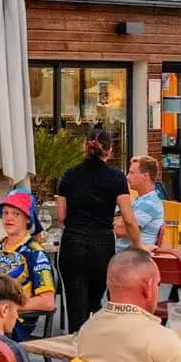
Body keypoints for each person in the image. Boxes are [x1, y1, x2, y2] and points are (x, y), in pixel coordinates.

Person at [54, 129, 138, 334]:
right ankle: (94, 338)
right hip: (101, 243)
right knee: (94, 299)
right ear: (109, 151)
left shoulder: (69, 174)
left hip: (72, 241)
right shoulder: (116, 177)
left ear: (85, 147)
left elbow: (62, 216)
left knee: (75, 302)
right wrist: (139, 246)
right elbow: (128, 218)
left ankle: (77, 342)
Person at [0, 190, 57, 339]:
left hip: (16, 321)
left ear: (28, 219)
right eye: (5, 213)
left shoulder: (35, 253)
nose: (9, 217)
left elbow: (48, 302)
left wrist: (8, 307)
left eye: (16, 214)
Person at [125, 155, 166, 250]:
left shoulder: (149, 203)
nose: (127, 177)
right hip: (124, 254)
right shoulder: (140, 200)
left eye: (131, 173)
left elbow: (123, 229)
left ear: (144, 176)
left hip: (131, 258)